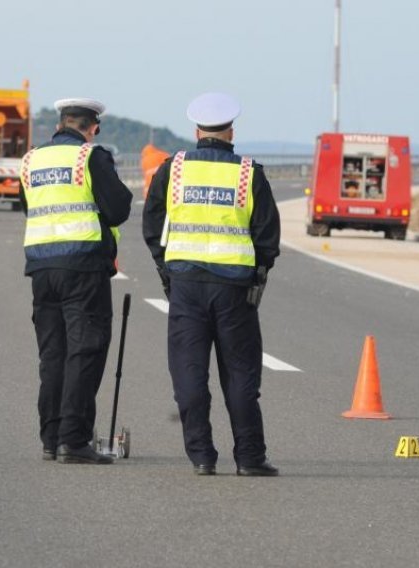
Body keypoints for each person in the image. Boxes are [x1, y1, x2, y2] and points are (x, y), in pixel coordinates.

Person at [142, 92, 281, 477]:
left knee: (189, 373)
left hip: (186, 285)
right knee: (240, 375)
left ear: (196, 130)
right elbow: (268, 236)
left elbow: (152, 225)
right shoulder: (247, 173)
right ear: (231, 130)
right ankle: (250, 458)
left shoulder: (174, 169)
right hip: (235, 289)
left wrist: (166, 271)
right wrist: (257, 275)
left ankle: (202, 456)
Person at [19, 98, 133, 465]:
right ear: (92, 127)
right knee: (85, 351)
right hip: (83, 266)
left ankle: (51, 439)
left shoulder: (31, 159)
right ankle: (74, 440)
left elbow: (30, 206)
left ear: (60, 123)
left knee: (53, 354)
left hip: (40, 267)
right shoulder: (90, 157)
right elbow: (117, 208)